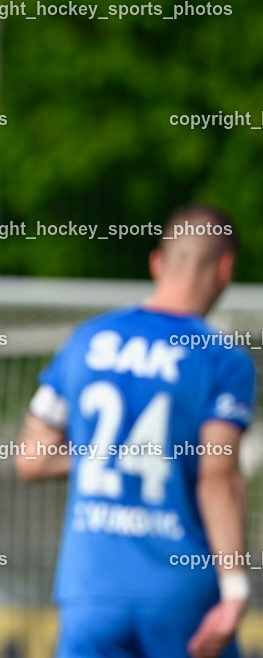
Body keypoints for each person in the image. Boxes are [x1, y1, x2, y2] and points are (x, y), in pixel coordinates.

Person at [15, 206, 256, 658]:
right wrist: (236, 587)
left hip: (90, 593)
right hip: (180, 594)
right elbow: (219, 477)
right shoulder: (222, 359)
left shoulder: (85, 341)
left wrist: (107, 453)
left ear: (157, 262)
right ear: (225, 270)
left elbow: (32, 458)